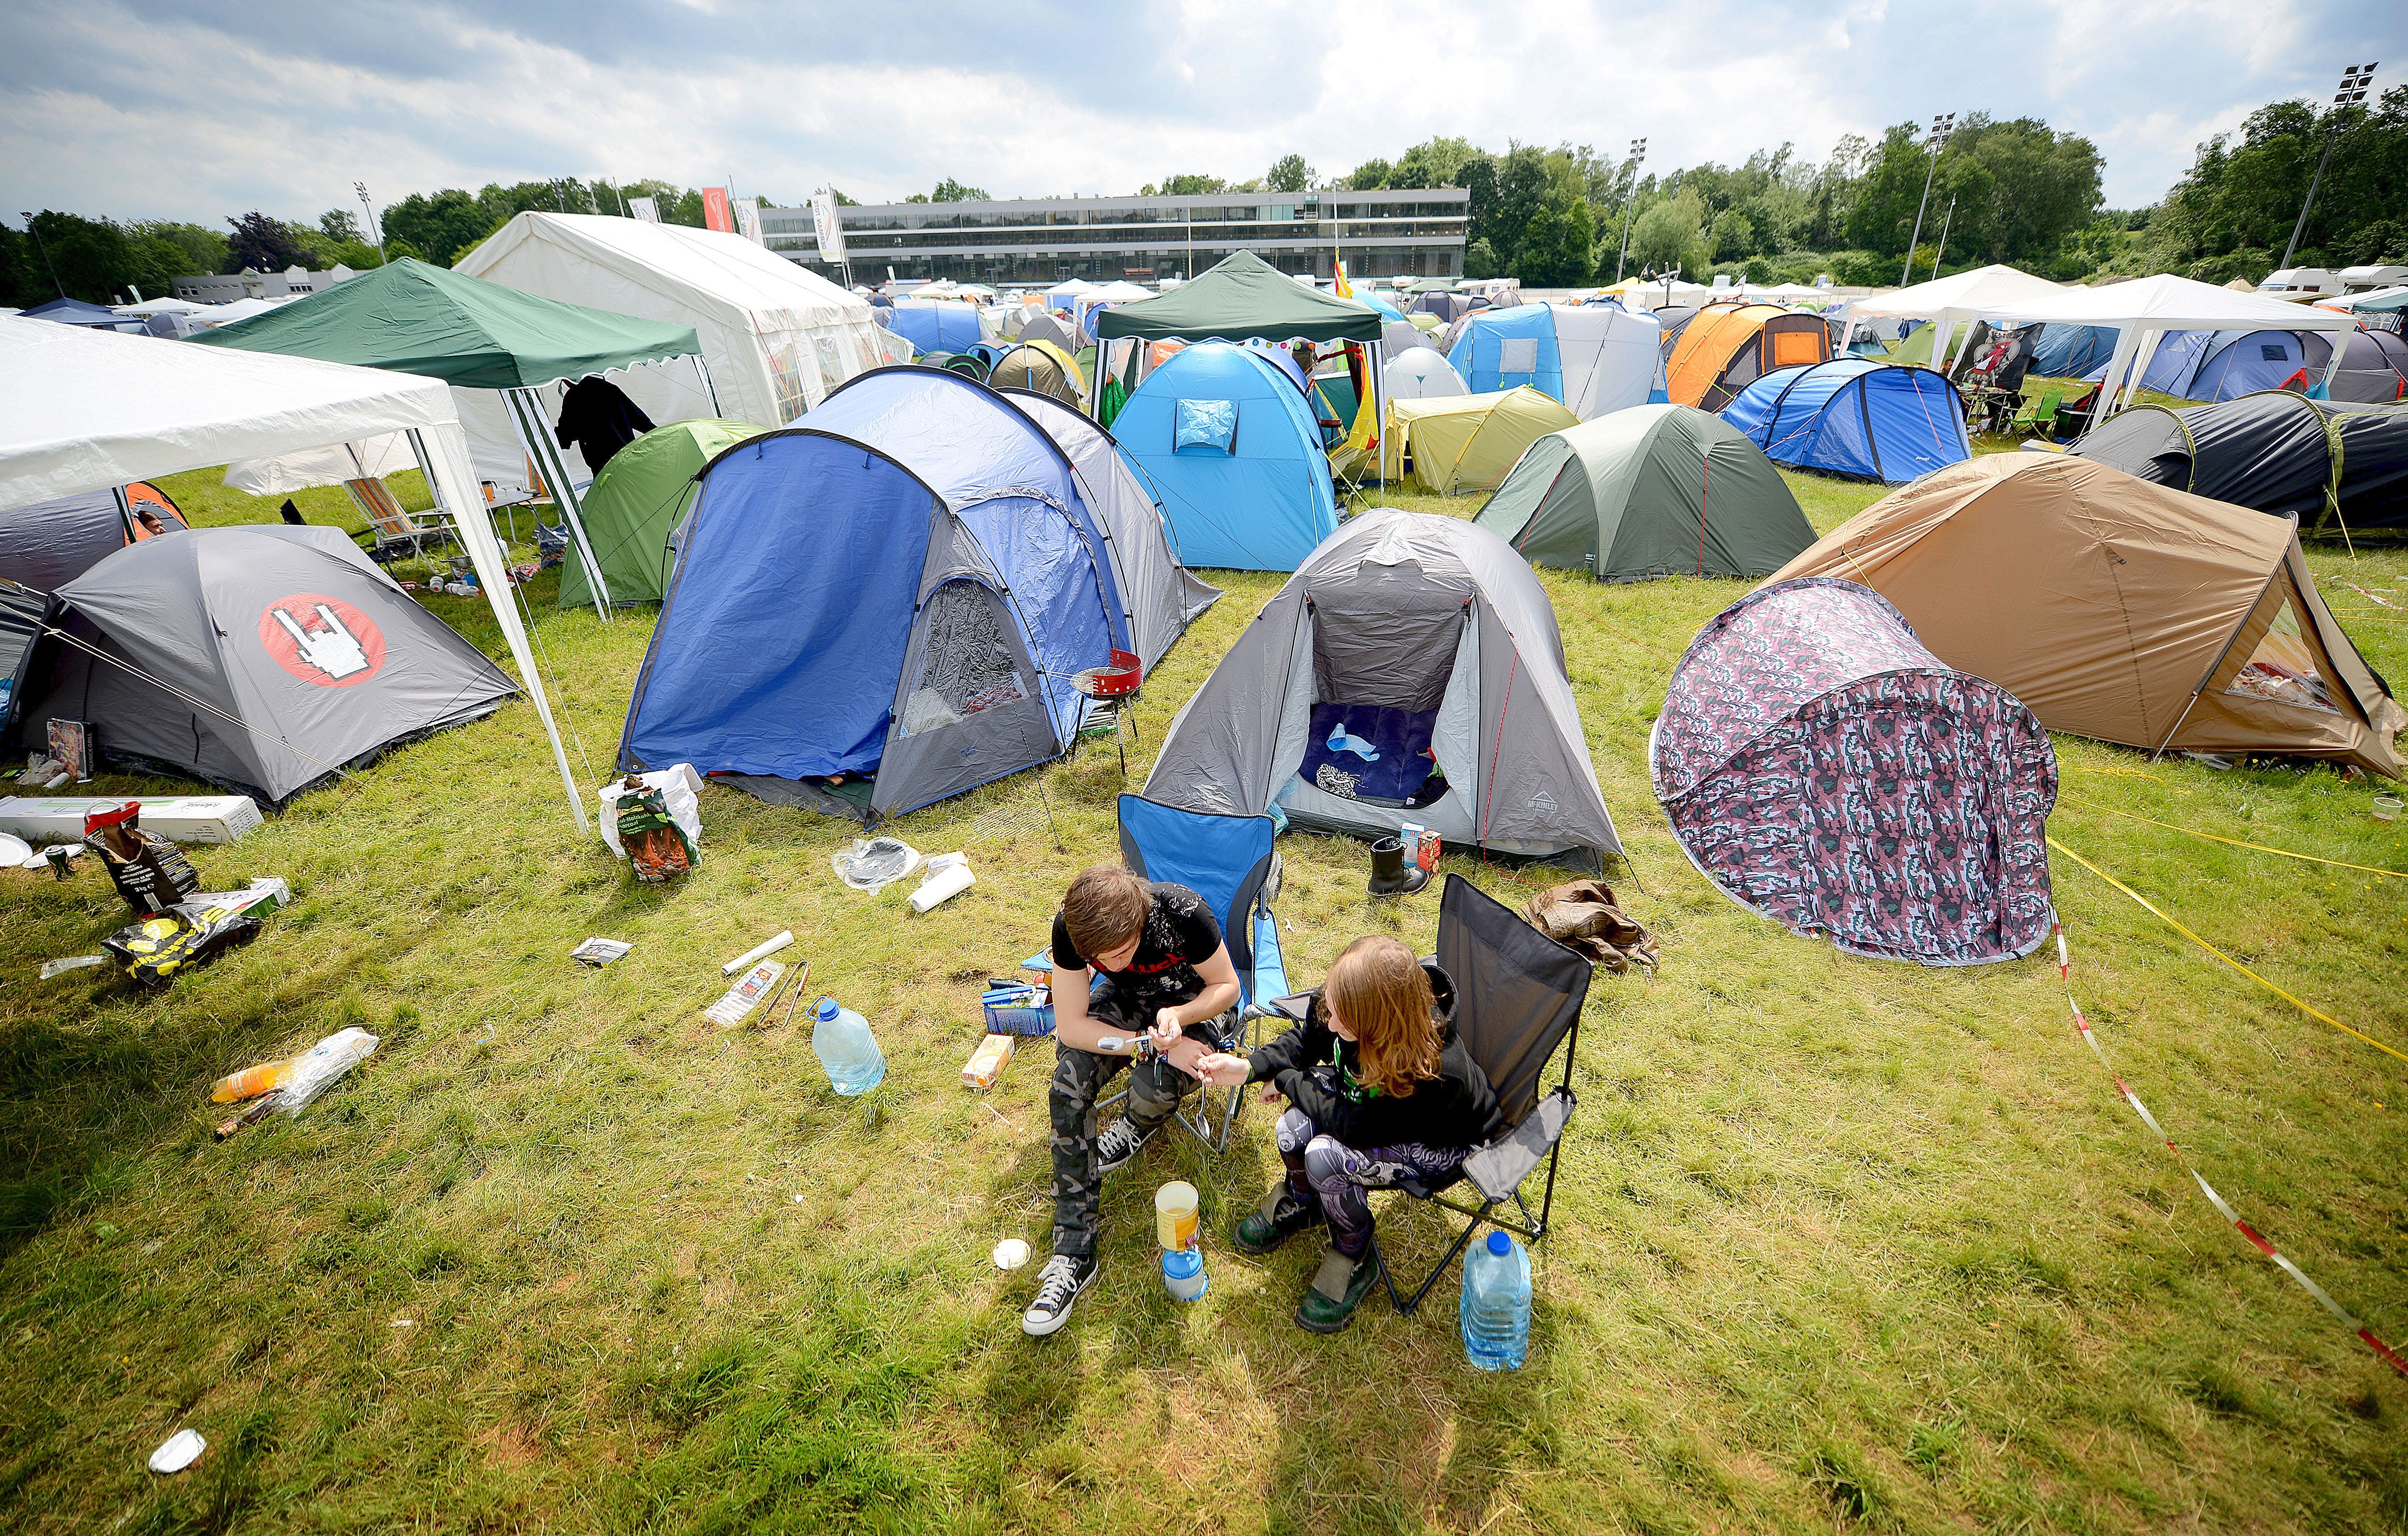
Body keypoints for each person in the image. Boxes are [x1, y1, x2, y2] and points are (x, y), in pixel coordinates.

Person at [1195, 935, 1501, 1333]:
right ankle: (1305, 1204)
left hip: (1441, 1143)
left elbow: (1354, 1127)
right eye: (1332, 1008)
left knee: (1324, 1155)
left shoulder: (1432, 1070)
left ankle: (1355, 1255)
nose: (1332, 1023)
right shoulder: (1345, 999)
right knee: (1291, 1129)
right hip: (1368, 1104)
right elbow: (1306, 1041)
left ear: (1379, 1023)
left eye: (1344, 1020)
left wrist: (1288, 1080)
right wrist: (1250, 1068)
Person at [1020, 865, 1240, 1337]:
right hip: (1132, 1008)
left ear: (1141, 921)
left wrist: (1178, 1020)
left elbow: (1228, 988)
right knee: (1068, 1080)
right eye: (1100, 958)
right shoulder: (1071, 927)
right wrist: (1149, 1042)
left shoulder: (1181, 911)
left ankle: (1135, 1126)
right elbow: (1074, 1026)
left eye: (1122, 951)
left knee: (1154, 1086)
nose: (1112, 962)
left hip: (1192, 1002)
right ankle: (1074, 1253)